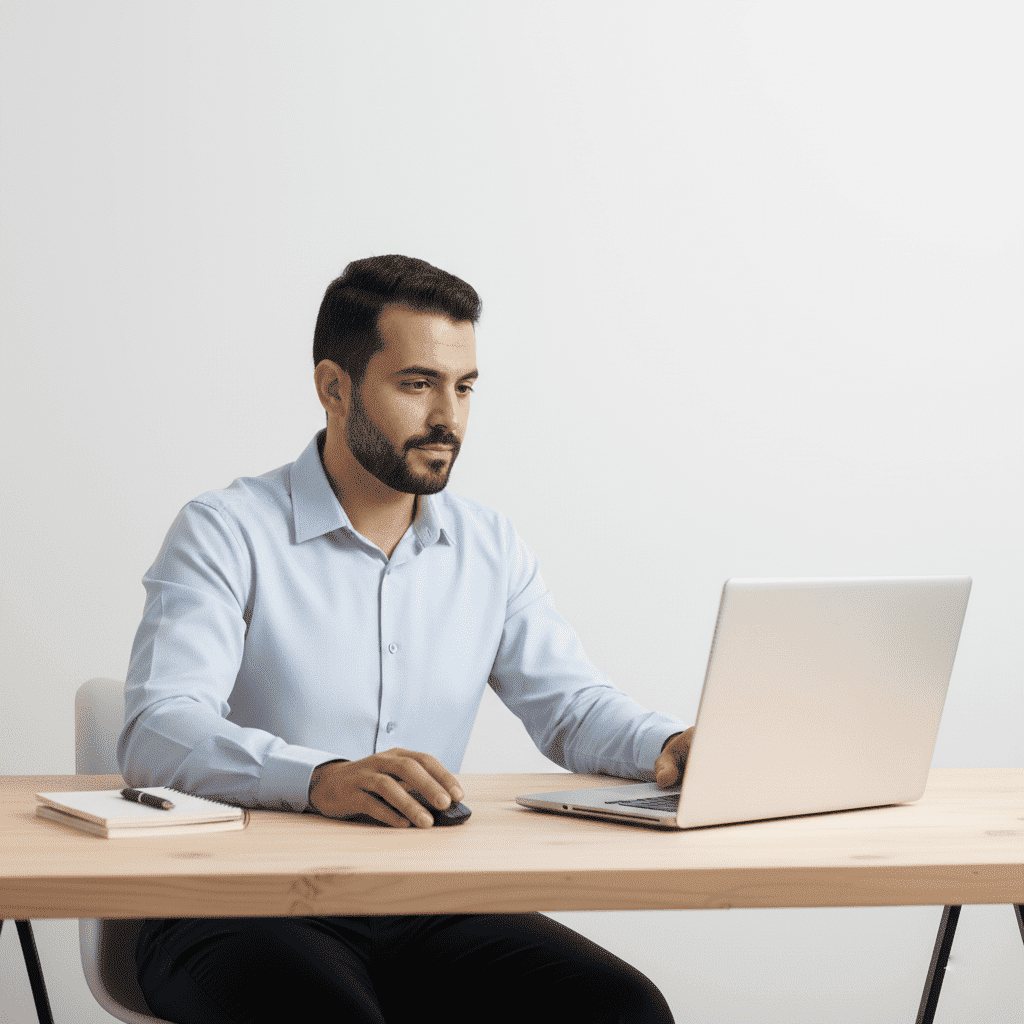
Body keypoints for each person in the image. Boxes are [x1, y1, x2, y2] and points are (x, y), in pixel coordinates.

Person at [120, 254, 694, 1024]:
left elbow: (571, 707)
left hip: (426, 899)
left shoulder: (489, 545)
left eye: (464, 387)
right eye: (417, 384)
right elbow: (159, 731)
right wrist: (320, 777)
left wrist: (668, 747)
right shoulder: (226, 531)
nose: (448, 419)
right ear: (334, 386)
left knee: (624, 1011)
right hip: (238, 904)